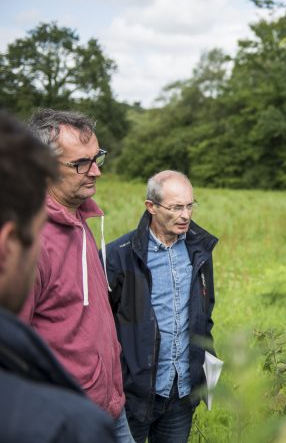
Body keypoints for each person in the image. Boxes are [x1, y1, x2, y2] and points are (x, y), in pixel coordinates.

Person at [0, 111, 117, 443]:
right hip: (62, 423)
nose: (96, 171)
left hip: (108, 407)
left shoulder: (81, 219)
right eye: (82, 163)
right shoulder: (30, 243)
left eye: (97, 158)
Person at [106, 170, 217, 443]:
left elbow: (205, 311)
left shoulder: (199, 250)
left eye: (190, 205)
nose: (185, 215)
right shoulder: (119, 255)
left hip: (181, 392)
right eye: (176, 207)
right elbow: (101, 326)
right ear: (151, 207)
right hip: (134, 394)